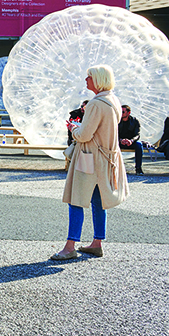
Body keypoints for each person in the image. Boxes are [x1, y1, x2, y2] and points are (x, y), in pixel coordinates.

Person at [52, 65, 129, 260]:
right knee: (98, 200)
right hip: (107, 157)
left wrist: (73, 129)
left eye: (89, 76)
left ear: (98, 80)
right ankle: (97, 242)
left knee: (76, 199)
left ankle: (70, 247)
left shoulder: (95, 104)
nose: (86, 79)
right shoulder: (113, 100)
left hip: (90, 158)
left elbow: (85, 135)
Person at [118, 105, 144, 175]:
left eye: (123, 112)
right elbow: (113, 133)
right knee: (112, 144)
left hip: (131, 142)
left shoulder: (135, 121)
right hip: (119, 142)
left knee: (139, 145)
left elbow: (137, 134)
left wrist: (131, 141)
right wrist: (120, 140)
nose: (121, 113)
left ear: (128, 113)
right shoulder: (117, 120)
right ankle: (115, 168)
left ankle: (138, 168)